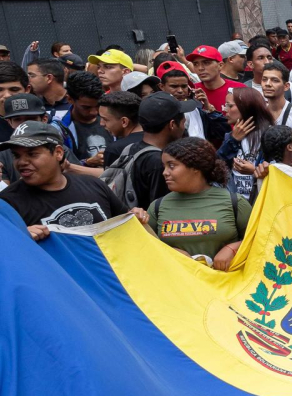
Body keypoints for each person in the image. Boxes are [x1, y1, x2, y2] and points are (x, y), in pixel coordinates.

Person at [0, 121, 147, 240]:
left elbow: (124, 224)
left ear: (58, 153)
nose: (22, 162)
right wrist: (20, 238)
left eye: (32, 154)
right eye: (16, 156)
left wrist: (136, 216)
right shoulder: (7, 203)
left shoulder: (93, 185)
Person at [150, 137, 251, 270]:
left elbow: (260, 239)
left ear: (195, 167)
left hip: (226, 286)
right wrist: (168, 251)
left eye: (172, 166)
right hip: (175, 287)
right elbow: (144, 246)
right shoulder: (157, 206)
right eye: (164, 166)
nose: (164, 173)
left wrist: (233, 248)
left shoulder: (235, 203)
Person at [217, 87, 273, 201]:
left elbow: (281, 172)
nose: (225, 110)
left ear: (246, 107)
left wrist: (254, 170)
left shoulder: (270, 135)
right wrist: (233, 140)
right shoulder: (230, 136)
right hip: (235, 203)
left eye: (230, 105)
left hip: (261, 201)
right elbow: (217, 165)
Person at [57, 71, 107, 171]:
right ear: (70, 99)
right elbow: (58, 167)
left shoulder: (113, 119)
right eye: (86, 107)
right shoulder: (59, 129)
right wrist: (87, 162)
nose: (93, 112)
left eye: (97, 106)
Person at [0, 94, 52, 183]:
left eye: (31, 119)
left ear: (44, 119)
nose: (25, 124)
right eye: (17, 119)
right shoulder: (3, 153)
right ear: (9, 122)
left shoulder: (56, 148)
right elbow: (5, 194)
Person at [187, 45, 245, 114]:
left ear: (220, 65)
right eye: (196, 64)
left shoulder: (239, 89)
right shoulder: (192, 91)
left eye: (206, 63)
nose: (200, 68)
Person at [97, 91, 143, 169]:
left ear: (124, 121)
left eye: (105, 119)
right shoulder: (157, 140)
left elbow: (109, 179)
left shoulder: (116, 150)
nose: (101, 123)